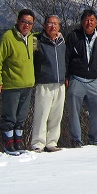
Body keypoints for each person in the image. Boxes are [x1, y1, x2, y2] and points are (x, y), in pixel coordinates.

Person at [0, 9, 36, 155]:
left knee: (21, 117)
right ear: (17, 21)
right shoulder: (8, 37)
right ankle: (8, 143)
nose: (26, 25)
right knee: (9, 116)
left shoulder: (32, 38)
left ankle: (18, 141)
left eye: (30, 23)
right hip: (11, 85)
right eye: (24, 21)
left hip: (27, 84)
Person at [65, 9, 97, 146]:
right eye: (86, 20)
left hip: (94, 79)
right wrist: (66, 76)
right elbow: (66, 57)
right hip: (76, 78)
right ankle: (76, 139)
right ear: (81, 22)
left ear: (96, 22)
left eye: (92, 20)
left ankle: (96, 138)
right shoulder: (74, 36)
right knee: (73, 112)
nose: (89, 23)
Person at [31, 14, 67, 152]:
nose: (53, 26)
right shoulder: (38, 40)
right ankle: (38, 143)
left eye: (56, 24)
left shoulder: (62, 40)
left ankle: (51, 142)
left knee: (56, 115)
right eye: (50, 23)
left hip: (59, 82)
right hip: (44, 82)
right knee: (42, 114)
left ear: (59, 26)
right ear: (45, 25)